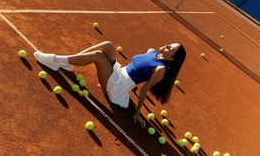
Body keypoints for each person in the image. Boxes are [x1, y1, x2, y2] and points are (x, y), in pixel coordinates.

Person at [34, 41, 186, 128]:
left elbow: (144, 90)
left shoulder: (161, 69)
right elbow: (137, 69)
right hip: (119, 73)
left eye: (169, 49)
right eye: (169, 44)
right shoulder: (152, 51)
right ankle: (70, 62)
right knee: (108, 45)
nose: (166, 45)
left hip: (118, 87)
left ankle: (55, 60)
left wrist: (137, 113)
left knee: (99, 56)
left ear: (171, 58)